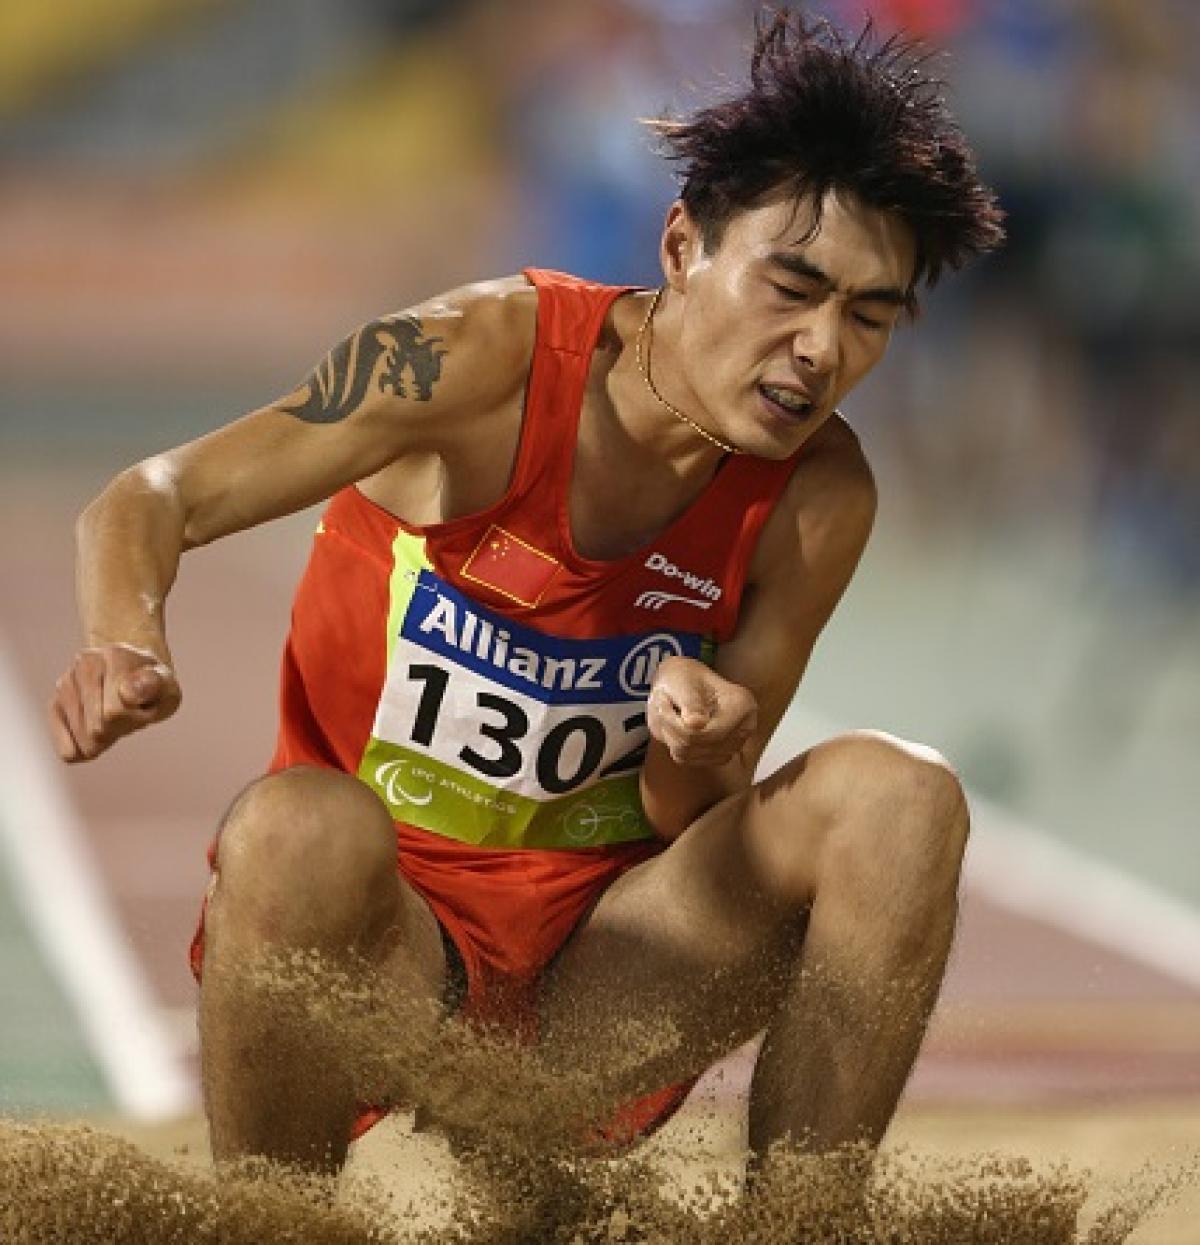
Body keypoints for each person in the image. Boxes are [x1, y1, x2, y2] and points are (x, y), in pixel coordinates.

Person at [49, 10, 1003, 1176]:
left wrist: (705, 746)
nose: (820, 348)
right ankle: (272, 1216)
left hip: (601, 986)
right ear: (679, 246)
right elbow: (151, 496)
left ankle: (805, 1217)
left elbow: (680, 826)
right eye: (792, 287)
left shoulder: (819, 493)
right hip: (374, 953)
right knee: (295, 825)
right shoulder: (475, 361)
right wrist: (122, 641)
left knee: (905, 797)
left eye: (869, 316)